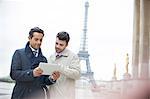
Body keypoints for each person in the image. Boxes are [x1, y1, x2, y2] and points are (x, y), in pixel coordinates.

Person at [10, 27, 60, 99]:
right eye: (36, 39)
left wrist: (52, 78)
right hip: (21, 94)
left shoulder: (43, 59)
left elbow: (44, 81)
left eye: (41, 40)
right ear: (29, 38)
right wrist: (32, 73)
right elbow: (14, 74)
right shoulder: (19, 53)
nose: (39, 42)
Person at [48, 31, 81, 99]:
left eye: (61, 45)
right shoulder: (50, 57)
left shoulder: (73, 57)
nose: (57, 46)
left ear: (66, 45)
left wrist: (60, 68)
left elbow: (77, 75)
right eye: (56, 43)